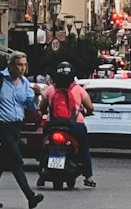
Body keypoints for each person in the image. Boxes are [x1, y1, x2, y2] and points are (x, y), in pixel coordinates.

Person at [0, 50, 44, 209]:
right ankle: (30, 196)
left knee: (1, 161)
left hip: (16, 125)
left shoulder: (24, 83)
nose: (22, 69)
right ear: (11, 66)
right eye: (19, 65)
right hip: (1, 124)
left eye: (25, 65)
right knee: (15, 159)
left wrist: (36, 95)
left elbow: (31, 105)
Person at [39, 61, 95, 189]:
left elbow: (42, 107)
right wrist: (85, 113)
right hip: (75, 126)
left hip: (52, 125)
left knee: (43, 147)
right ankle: (88, 176)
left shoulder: (50, 89)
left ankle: (41, 173)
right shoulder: (78, 90)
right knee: (84, 149)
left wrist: (45, 113)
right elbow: (90, 107)